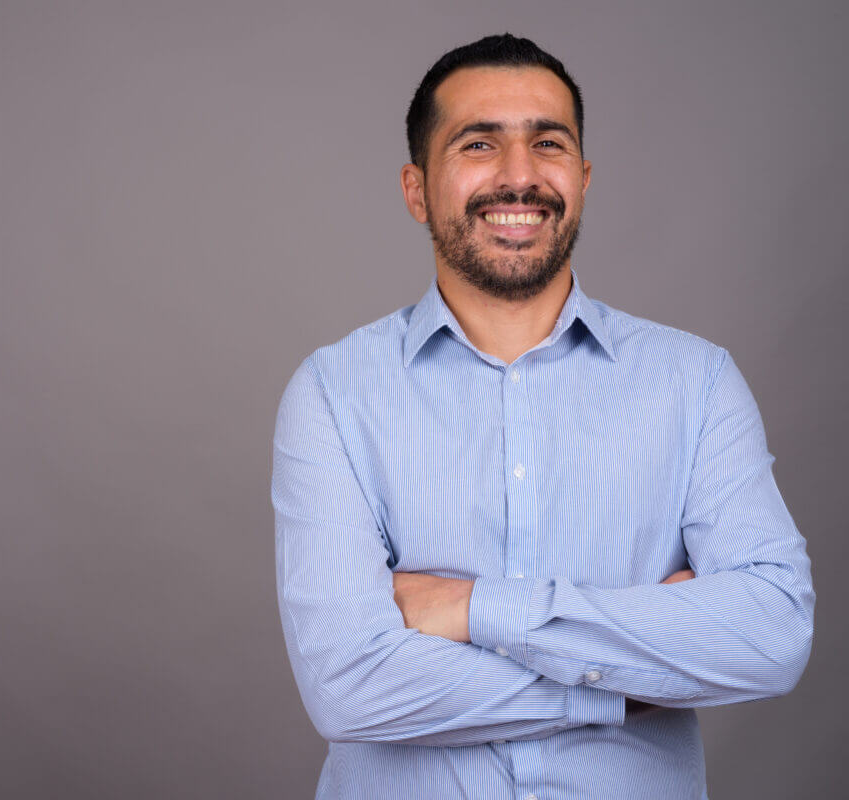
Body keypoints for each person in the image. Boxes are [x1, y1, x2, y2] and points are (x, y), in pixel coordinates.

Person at [271, 33, 814, 800]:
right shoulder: (332, 393)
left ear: (583, 179)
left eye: (547, 143)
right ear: (416, 188)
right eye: (478, 144)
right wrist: (616, 683)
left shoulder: (693, 383)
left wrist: (468, 609)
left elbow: (771, 633)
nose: (519, 177)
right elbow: (348, 684)